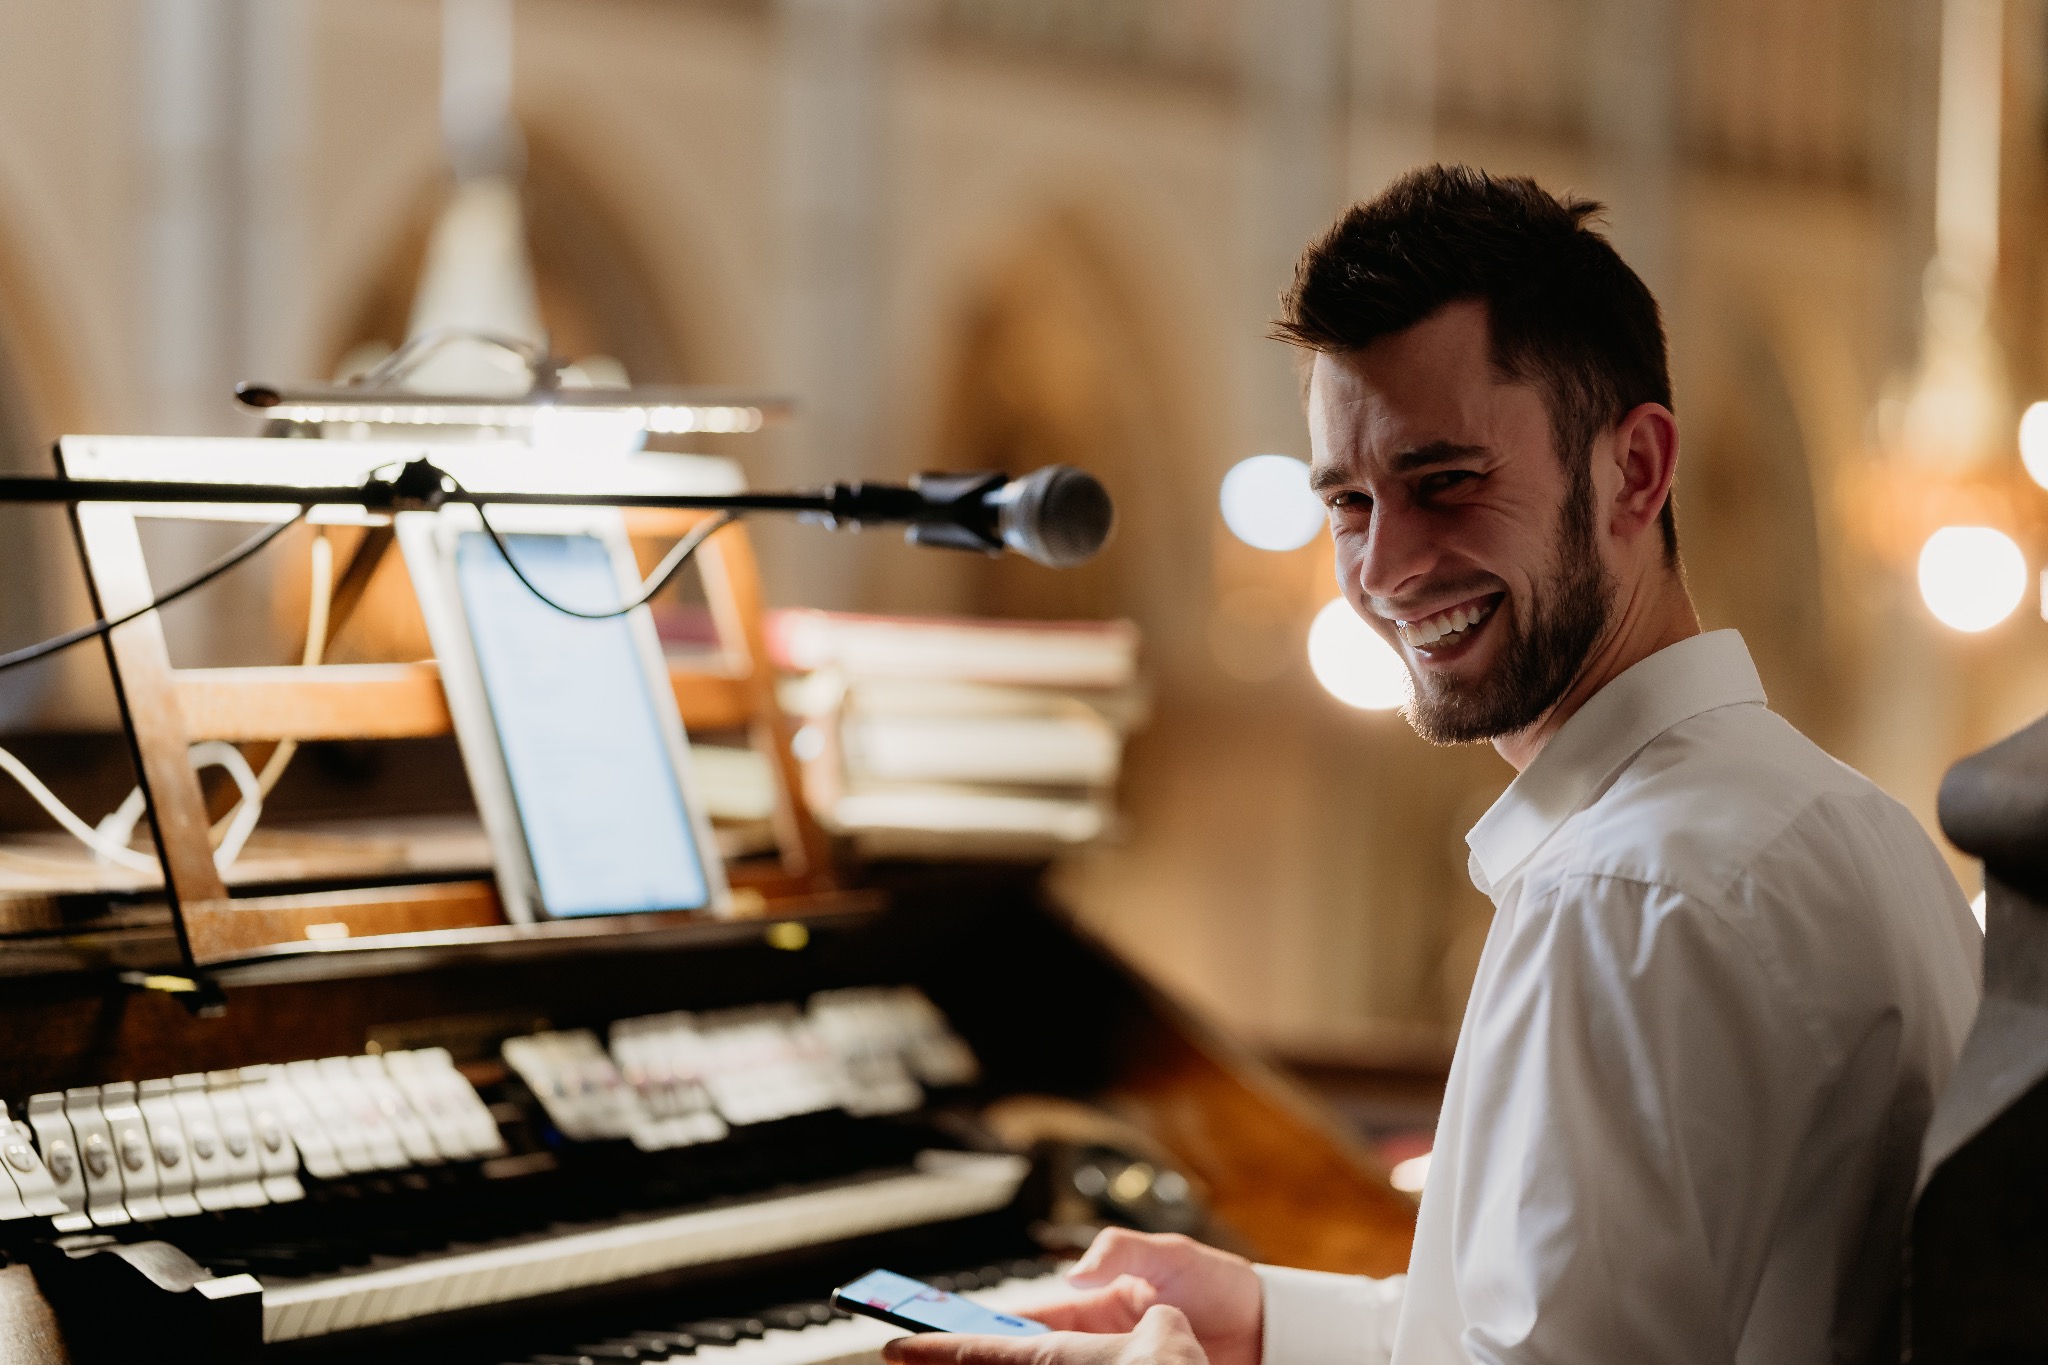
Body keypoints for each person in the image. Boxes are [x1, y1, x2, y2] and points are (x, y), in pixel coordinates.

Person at [884, 165, 1983, 1364]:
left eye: (1444, 482)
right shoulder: (1844, 823)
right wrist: (1263, 1320)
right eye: (1348, 502)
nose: (1386, 568)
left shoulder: (1618, 896)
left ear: (1635, 471)